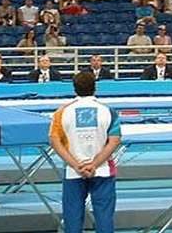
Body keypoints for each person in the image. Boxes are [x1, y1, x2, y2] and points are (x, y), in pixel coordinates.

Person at [49, 72, 122, 233]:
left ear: (74, 88)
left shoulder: (61, 113)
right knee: (104, 217)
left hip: (74, 172)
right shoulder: (109, 111)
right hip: (102, 170)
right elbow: (114, 141)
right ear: (95, 87)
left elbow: (55, 141)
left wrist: (76, 165)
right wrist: (94, 164)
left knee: (72, 217)